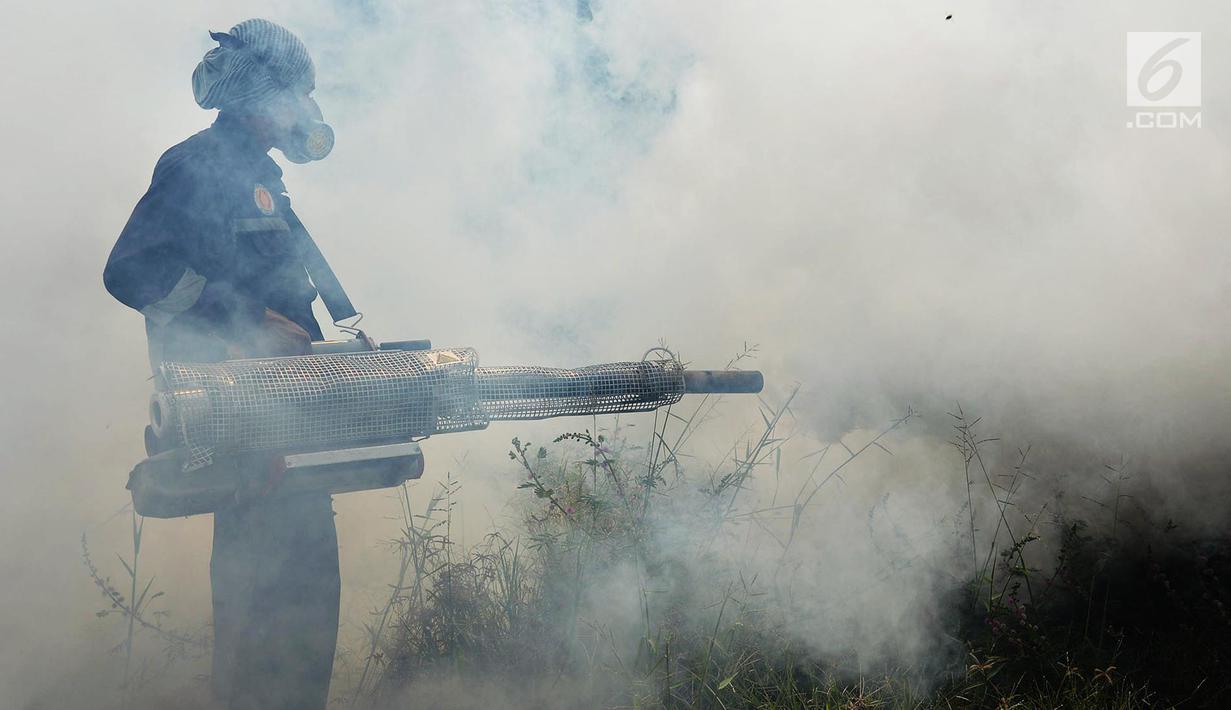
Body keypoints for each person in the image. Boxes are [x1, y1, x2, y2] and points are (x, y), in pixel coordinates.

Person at [103, 19, 352, 709]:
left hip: (285, 419)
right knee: (264, 602)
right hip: (241, 425)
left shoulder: (259, 177)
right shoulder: (196, 165)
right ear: (260, 97)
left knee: (305, 600)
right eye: (297, 91)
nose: (306, 107)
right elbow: (131, 272)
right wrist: (236, 324)